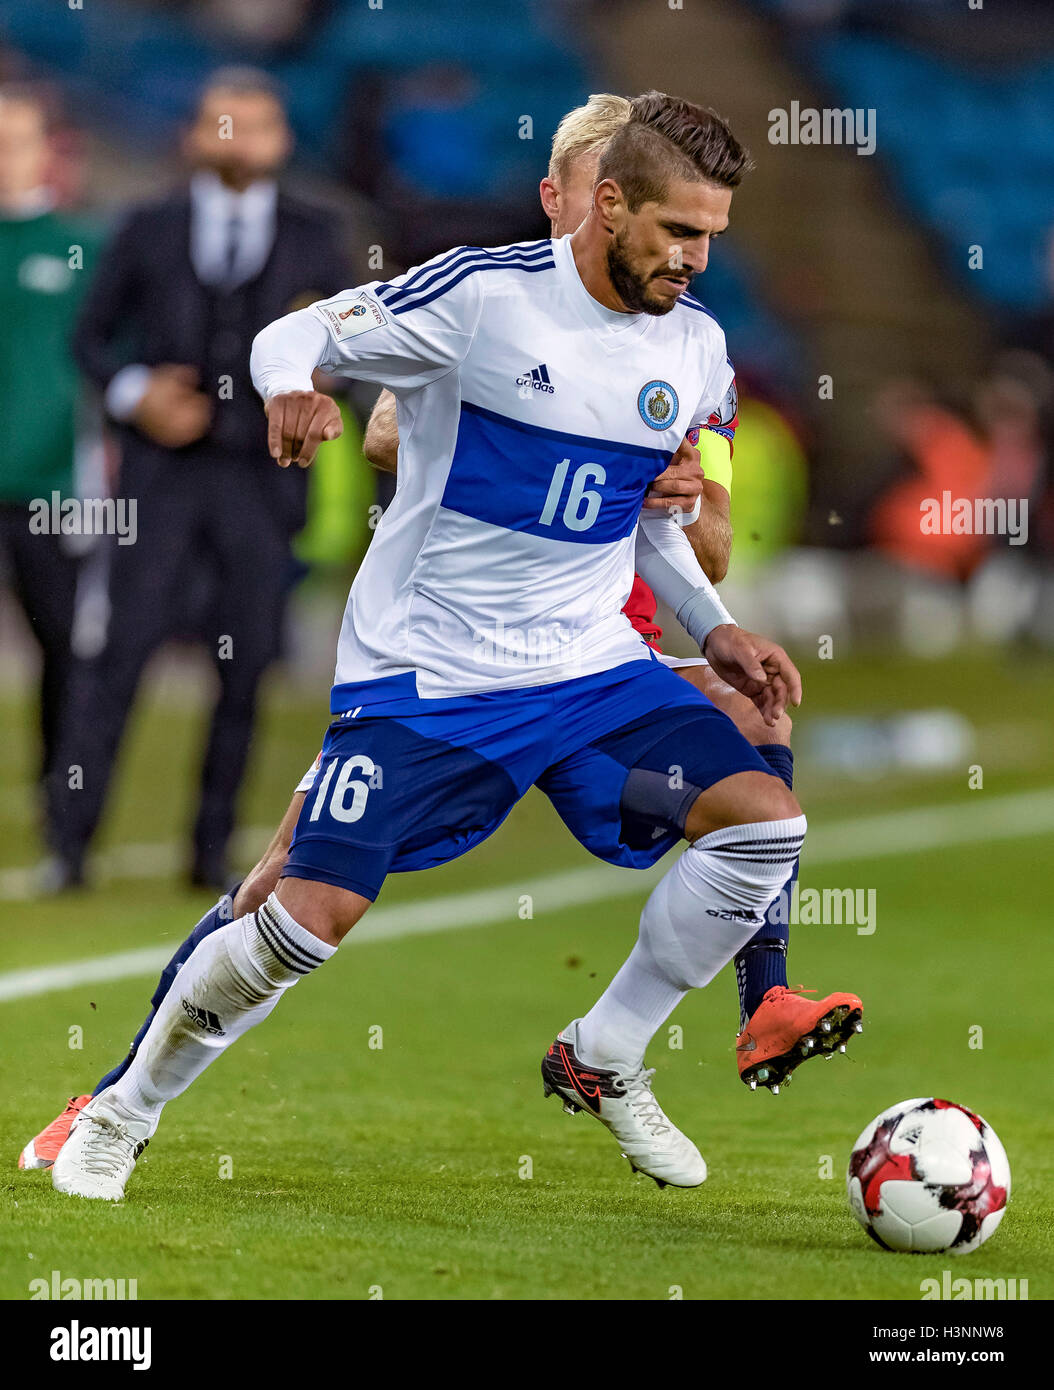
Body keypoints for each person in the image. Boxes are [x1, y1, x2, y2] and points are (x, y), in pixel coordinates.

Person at [21, 94, 861, 1179]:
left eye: (711, 237)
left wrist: (714, 625)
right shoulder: (482, 296)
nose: (697, 259)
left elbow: (637, 525)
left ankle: (607, 1048)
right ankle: (120, 1112)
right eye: (679, 233)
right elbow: (301, 330)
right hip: (431, 677)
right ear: (604, 205)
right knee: (304, 911)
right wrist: (291, 388)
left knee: (763, 825)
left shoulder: (695, 351)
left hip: (587, 669)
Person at [42, 67, 352, 892]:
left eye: (253, 125)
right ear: (191, 134)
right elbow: (91, 340)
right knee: (122, 651)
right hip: (161, 477)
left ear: (281, 139)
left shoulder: (318, 233)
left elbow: (357, 349)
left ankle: (210, 852)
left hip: (261, 477)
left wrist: (313, 396)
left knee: (244, 663)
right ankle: (70, 847)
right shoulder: (146, 224)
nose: (236, 140)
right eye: (221, 122)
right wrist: (138, 394)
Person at [0, 84, 98, 802]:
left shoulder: (82, 251)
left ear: (45, 152)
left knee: (61, 641)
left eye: (13, 142)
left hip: (52, 484)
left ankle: (58, 791)